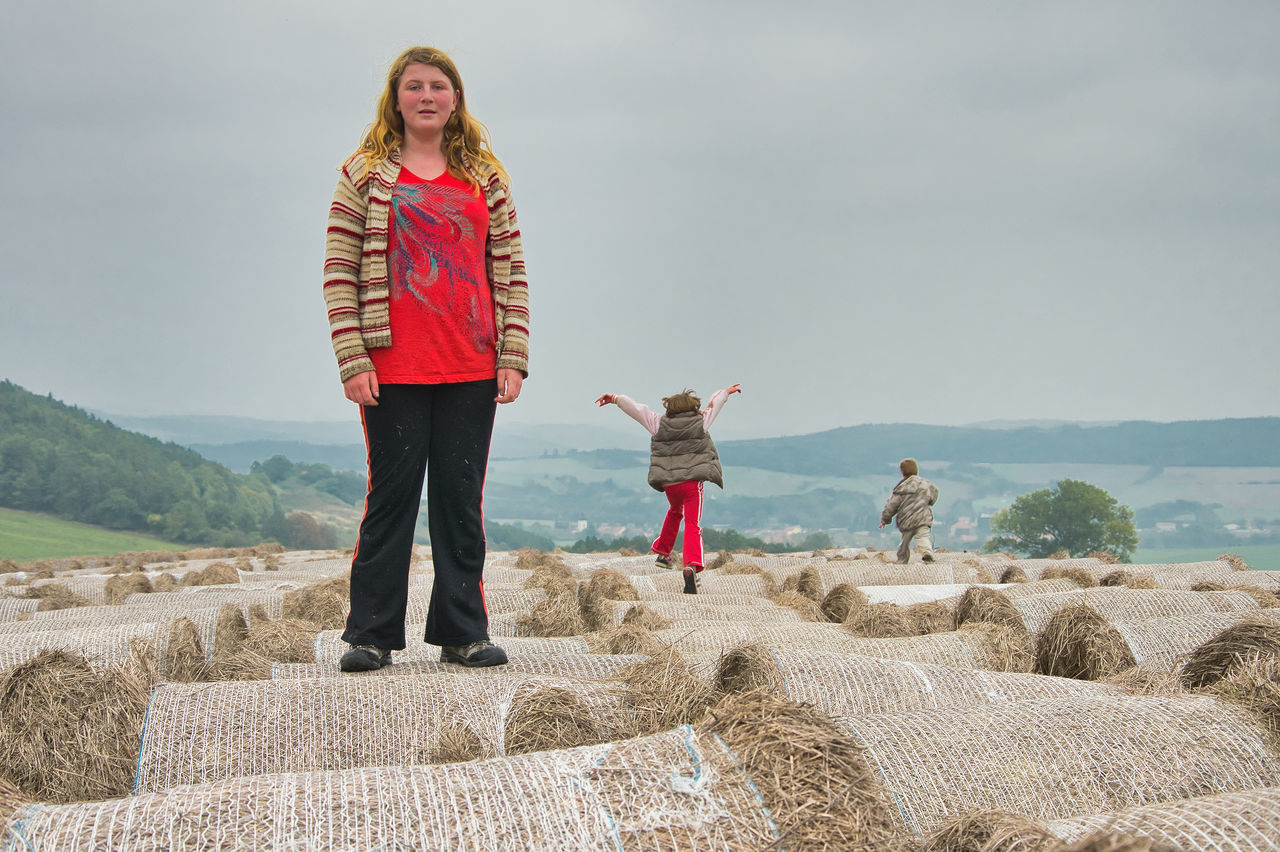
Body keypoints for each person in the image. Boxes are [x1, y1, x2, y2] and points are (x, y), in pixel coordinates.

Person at [322, 46, 529, 672]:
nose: (427, 97)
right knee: (391, 499)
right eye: (414, 87)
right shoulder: (364, 173)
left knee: (460, 500)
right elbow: (337, 272)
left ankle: (462, 632)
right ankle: (371, 634)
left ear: (455, 99)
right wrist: (352, 357)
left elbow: (513, 272)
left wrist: (513, 354)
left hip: (471, 362)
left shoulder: (485, 178)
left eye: (438, 86)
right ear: (397, 98)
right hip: (392, 368)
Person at [595, 384, 741, 594]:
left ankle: (663, 553)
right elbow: (716, 403)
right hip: (692, 484)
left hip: (670, 484)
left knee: (675, 512)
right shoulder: (700, 421)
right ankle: (691, 565)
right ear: (692, 408)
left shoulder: (658, 423)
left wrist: (616, 398)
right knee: (693, 524)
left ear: (670, 408)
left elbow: (638, 410)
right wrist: (725, 393)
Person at [879, 458, 938, 564]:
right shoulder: (926, 484)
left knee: (904, 542)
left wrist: (885, 520)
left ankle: (902, 560)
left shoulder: (901, 488)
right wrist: (930, 502)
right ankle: (927, 552)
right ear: (916, 470)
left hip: (907, 520)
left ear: (902, 472)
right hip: (923, 518)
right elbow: (934, 494)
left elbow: (891, 506)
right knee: (923, 537)